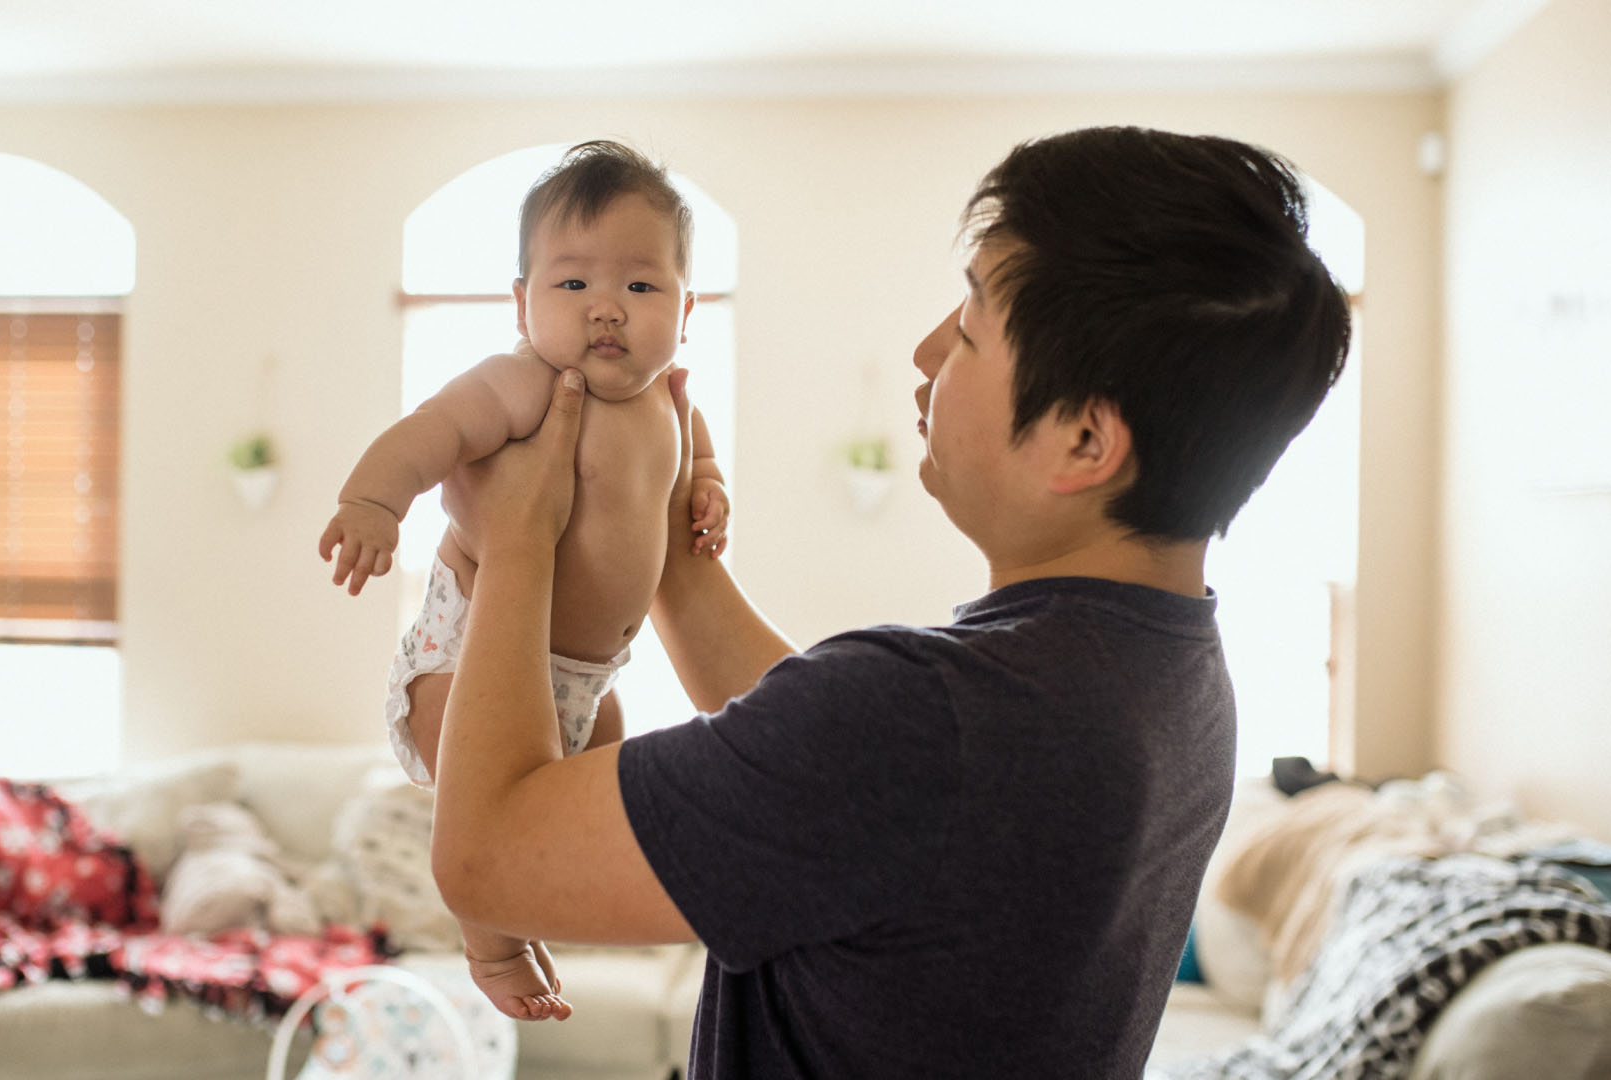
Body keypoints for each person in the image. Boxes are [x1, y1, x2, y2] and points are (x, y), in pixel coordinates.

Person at [425, 125, 1352, 1078]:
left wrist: (519, 541)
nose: (924, 352)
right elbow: (840, 786)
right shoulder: (1170, 673)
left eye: (972, 326)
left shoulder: (922, 719)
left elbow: (488, 857)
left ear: (1084, 439)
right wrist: (662, 538)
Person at [316, 140, 730, 1022]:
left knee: (604, 797)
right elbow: (431, 432)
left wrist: (711, 491)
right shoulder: (525, 383)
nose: (607, 308)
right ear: (521, 302)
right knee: (484, 826)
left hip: (586, 678)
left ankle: (538, 911)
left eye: (641, 287)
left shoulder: (672, 403)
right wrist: (373, 502)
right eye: (573, 284)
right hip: (464, 660)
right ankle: (491, 945)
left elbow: (699, 464)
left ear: (687, 310)